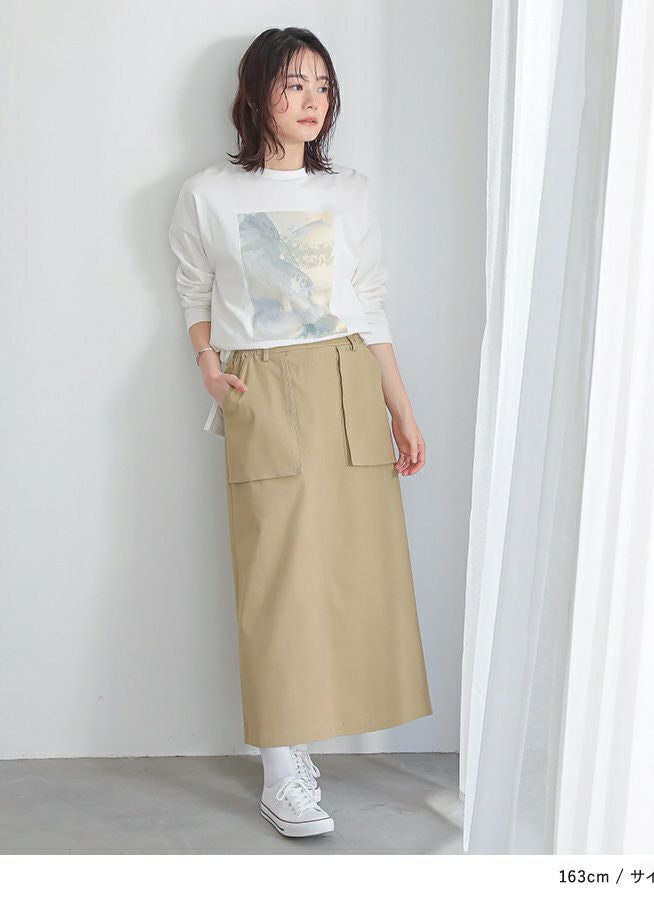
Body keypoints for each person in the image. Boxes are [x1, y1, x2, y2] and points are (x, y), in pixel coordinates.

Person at [168, 26, 433, 839]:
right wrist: (209, 367)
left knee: (356, 573)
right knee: (276, 580)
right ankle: (282, 771)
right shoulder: (209, 193)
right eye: (294, 83)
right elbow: (194, 291)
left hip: (348, 377)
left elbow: (369, 302)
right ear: (257, 94)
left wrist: (401, 408)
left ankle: (318, 749)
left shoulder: (349, 192)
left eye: (322, 85)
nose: (312, 99)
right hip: (264, 387)